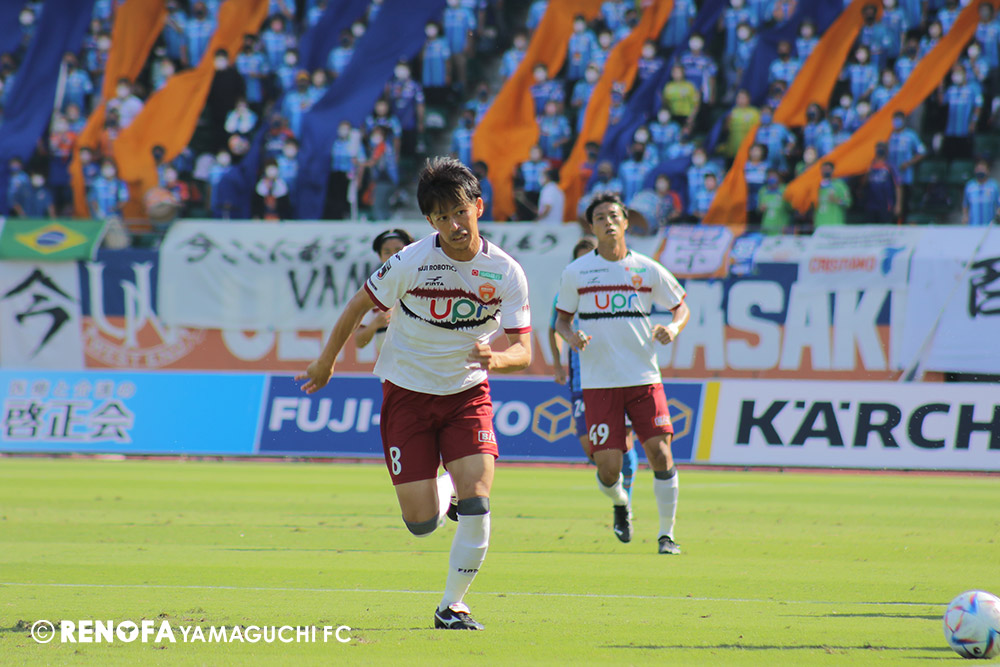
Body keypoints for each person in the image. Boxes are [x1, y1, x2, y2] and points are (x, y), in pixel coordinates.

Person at [297, 157, 532, 630]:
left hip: (467, 395)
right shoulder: (410, 261)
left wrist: (497, 359)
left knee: (478, 499)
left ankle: (452, 606)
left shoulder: (506, 272)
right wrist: (327, 360)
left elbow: (523, 351)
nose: (454, 225)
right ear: (430, 221)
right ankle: (445, 488)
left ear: (478, 207)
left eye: (460, 212)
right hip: (407, 393)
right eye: (442, 217)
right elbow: (359, 304)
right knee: (421, 523)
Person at [554, 192, 690, 554]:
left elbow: (680, 308)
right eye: (600, 217)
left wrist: (672, 328)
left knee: (661, 454)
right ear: (592, 226)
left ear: (626, 222)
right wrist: (572, 336)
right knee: (608, 470)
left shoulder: (646, 268)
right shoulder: (577, 272)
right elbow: (561, 320)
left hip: (643, 377)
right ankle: (621, 502)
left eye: (614, 216)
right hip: (599, 382)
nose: (608, 222)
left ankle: (666, 535)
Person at [549, 236, 640, 496]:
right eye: (579, 260)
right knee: (592, 449)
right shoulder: (565, 294)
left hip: (618, 375)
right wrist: (558, 364)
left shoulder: (616, 288)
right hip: (583, 379)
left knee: (623, 443)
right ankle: (618, 489)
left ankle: (625, 502)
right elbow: (554, 328)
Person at [355, 228, 415, 354]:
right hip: (390, 363)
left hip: (422, 360)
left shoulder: (423, 282)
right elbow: (359, 342)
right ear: (380, 256)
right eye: (387, 252)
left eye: (398, 250)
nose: (393, 256)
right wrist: (374, 325)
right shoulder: (373, 289)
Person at [861, 142, 901, 224]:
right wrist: (867, 172)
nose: (879, 150)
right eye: (878, 148)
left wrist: (898, 205)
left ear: (886, 151)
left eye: (882, 148)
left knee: (885, 228)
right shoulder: (870, 165)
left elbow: (898, 186)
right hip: (871, 204)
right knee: (870, 227)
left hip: (886, 204)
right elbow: (863, 183)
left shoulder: (890, 166)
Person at [962, 160, 1000, 226]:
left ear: (988, 171)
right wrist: (965, 216)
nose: (980, 171)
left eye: (983, 169)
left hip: (990, 226)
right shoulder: (970, 186)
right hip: (973, 225)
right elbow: (965, 204)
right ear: (975, 170)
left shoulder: (994, 186)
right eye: (978, 169)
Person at [815, 161, 851, 228]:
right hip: (820, 224)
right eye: (824, 169)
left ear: (833, 170)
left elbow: (848, 203)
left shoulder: (840, 185)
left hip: (835, 223)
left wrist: (836, 200)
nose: (826, 171)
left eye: (828, 169)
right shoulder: (815, 186)